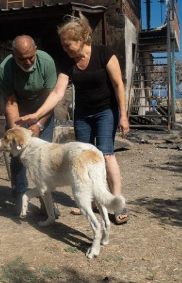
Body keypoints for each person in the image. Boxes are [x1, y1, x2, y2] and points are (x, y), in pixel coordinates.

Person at [18, 14, 130, 224]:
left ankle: (118, 205)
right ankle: (91, 202)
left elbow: (118, 85)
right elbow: (58, 93)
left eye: (67, 44)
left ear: (81, 40)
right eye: (62, 45)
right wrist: (37, 114)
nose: (64, 48)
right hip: (83, 114)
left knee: (106, 155)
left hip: (106, 111)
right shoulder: (67, 62)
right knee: (83, 159)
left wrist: (123, 115)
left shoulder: (104, 53)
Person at [0, 35, 58, 214]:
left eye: (30, 57)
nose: (27, 62)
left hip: (43, 108)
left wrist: (38, 125)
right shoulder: (5, 68)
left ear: (36, 50)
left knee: (45, 158)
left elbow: (50, 99)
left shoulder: (47, 62)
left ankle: (46, 201)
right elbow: (10, 102)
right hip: (20, 109)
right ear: (13, 55)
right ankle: (19, 196)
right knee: (17, 154)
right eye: (21, 59)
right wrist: (17, 132)